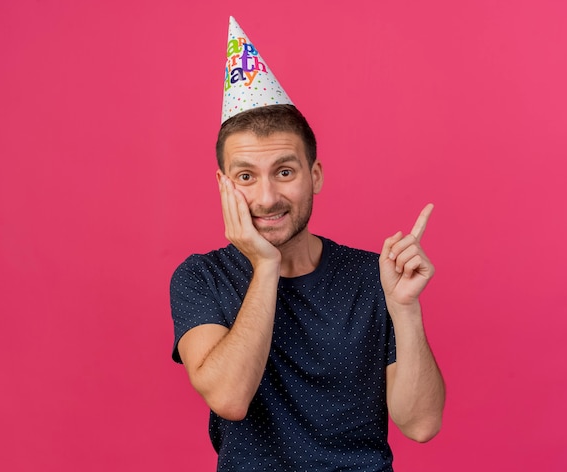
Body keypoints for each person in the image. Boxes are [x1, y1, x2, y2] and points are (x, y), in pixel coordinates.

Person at [170, 17, 445, 472]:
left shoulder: (372, 275)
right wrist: (265, 264)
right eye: (245, 177)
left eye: (284, 171)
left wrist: (405, 309)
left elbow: (421, 424)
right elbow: (229, 397)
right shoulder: (202, 277)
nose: (267, 197)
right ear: (222, 185)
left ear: (313, 176)